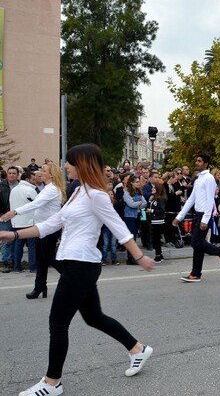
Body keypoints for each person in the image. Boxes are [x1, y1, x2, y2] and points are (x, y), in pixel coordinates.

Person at [1, 144, 155, 396]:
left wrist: (139, 257)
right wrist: (14, 235)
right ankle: (137, 349)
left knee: (58, 323)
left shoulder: (96, 195)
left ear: (82, 164)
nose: (66, 166)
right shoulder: (78, 192)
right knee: (94, 317)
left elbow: (118, 227)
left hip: (80, 265)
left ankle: (52, 383)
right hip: (77, 262)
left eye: (70, 162)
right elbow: (52, 223)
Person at [0, 163, 65, 298]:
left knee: (48, 256)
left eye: (43, 170)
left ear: (51, 175)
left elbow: (35, 204)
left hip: (49, 229)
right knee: (41, 259)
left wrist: (15, 212)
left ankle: (71, 277)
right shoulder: (47, 188)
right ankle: (40, 287)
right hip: (41, 227)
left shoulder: (52, 189)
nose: (40, 172)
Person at [173, 153, 220, 282]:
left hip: (204, 215)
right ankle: (195, 273)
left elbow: (210, 200)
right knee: (197, 245)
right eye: (196, 160)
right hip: (197, 215)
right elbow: (191, 199)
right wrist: (179, 217)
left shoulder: (209, 178)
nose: (196, 163)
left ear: (205, 163)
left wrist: (205, 219)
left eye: (199, 161)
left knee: (195, 242)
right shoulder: (198, 179)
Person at [9, 171, 39, 273]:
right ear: (27, 179)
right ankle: (32, 267)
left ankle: (17, 267)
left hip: (16, 221)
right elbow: (37, 204)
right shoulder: (30, 190)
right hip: (29, 221)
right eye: (33, 179)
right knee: (31, 246)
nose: (34, 181)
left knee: (18, 245)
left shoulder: (13, 190)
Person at [123, 173, 147, 265]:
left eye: (139, 182)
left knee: (135, 236)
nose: (138, 183)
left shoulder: (139, 192)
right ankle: (130, 258)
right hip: (129, 216)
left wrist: (138, 203)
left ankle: (132, 257)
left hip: (136, 215)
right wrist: (139, 203)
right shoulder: (127, 192)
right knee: (131, 237)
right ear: (131, 183)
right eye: (136, 182)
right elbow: (131, 204)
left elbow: (145, 203)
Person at [148, 182, 167, 263]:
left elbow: (161, 210)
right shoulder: (155, 198)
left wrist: (151, 211)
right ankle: (160, 254)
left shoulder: (160, 198)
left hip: (158, 221)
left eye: (154, 188)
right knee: (156, 238)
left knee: (156, 239)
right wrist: (149, 200)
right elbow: (151, 206)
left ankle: (158, 256)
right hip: (154, 220)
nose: (152, 189)